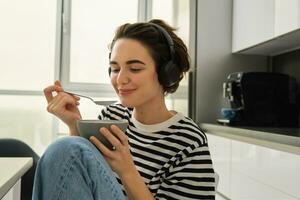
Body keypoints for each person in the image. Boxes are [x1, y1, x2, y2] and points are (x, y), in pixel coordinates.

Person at [32, 19, 216, 199]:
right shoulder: (112, 116)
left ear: (166, 73)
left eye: (134, 69)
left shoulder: (189, 141)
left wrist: (127, 170)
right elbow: (79, 183)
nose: (120, 79)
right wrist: (74, 125)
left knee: (64, 148)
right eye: (114, 69)